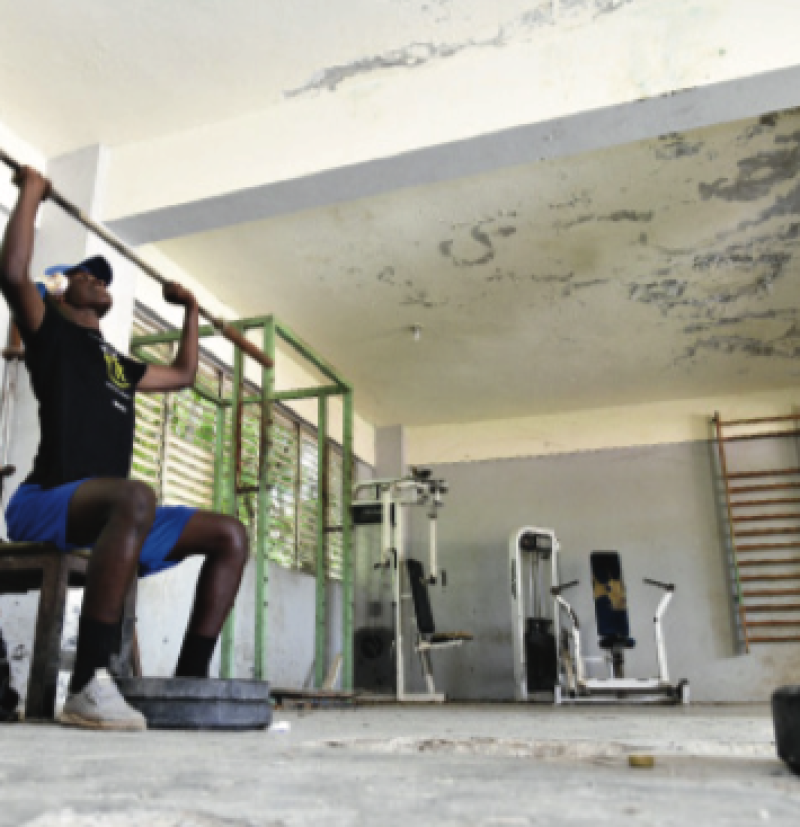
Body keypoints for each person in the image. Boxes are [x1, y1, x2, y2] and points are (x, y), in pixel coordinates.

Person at [0, 166, 249, 731]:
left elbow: (185, 374)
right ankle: (88, 685)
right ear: (63, 289)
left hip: (117, 517)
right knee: (135, 496)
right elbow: (12, 272)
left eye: (104, 276)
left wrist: (189, 311)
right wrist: (31, 196)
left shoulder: (117, 362)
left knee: (230, 534)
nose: (99, 277)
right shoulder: (50, 333)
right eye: (87, 274)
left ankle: (188, 684)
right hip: (49, 502)